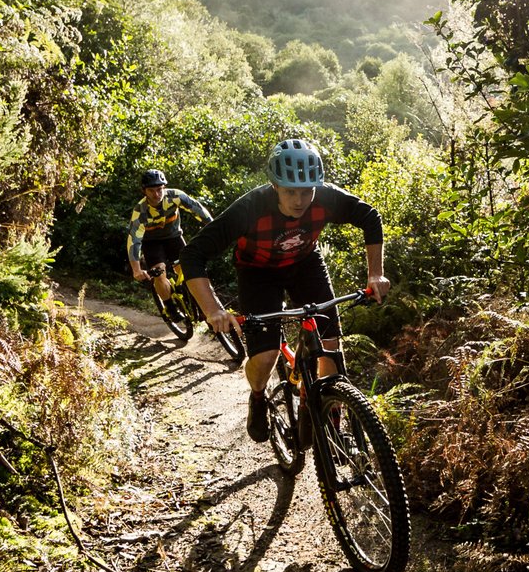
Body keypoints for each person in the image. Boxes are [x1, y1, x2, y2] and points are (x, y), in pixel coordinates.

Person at [182, 139, 391, 442]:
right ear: (274, 186)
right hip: (257, 273)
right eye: (290, 191)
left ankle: (329, 421)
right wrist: (213, 309)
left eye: (307, 191)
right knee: (265, 357)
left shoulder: (326, 199)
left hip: (305, 264)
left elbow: (370, 218)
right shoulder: (250, 209)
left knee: (330, 348)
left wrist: (376, 274)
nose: (299, 200)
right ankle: (257, 397)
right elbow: (193, 255)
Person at [126, 168, 212, 316]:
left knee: (188, 269)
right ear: (144, 191)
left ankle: (196, 301)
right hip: (151, 242)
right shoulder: (140, 211)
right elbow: (134, 241)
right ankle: (170, 307)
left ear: (164, 187)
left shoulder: (175, 196)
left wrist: (213, 229)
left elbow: (198, 210)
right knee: (159, 273)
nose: (156, 194)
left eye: (159, 189)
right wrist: (136, 269)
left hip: (174, 238)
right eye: (151, 191)